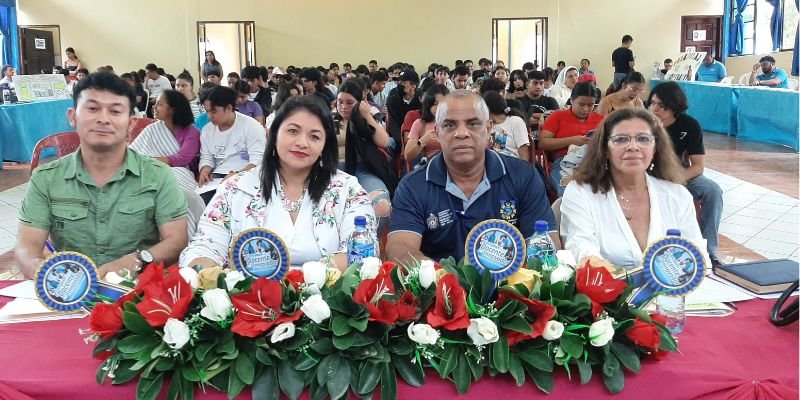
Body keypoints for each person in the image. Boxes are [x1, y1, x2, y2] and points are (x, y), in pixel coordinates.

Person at [15, 72, 188, 279]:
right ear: (73, 116)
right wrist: (47, 275)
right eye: (92, 108)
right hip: (69, 296)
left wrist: (138, 260)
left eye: (115, 111)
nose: (103, 119)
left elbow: (176, 240)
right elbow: (27, 246)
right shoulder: (45, 178)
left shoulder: (158, 175)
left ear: (131, 123)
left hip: (136, 294)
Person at [180, 95, 376, 271]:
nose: (302, 142)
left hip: (328, 301)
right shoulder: (236, 188)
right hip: (247, 301)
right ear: (273, 135)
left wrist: (302, 281)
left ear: (325, 145)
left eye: (314, 136)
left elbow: (363, 251)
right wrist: (203, 271)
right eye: (292, 131)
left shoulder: (347, 190)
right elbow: (205, 245)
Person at [386, 90, 557, 264]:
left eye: (473, 123)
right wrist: (445, 278)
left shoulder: (524, 176)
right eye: (450, 125)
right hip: (438, 287)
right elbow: (399, 249)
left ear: (489, 128)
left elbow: (546, 243)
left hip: (510, 287)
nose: (461, 133)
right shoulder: (413, 185)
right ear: (437, 132)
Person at [560, 108, 708, 269]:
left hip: (673, 294)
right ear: (605, 149)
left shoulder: (677, 195)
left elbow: (697, 257)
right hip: (606, 291)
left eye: (643, 139)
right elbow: (581, 249)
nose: (633, 146)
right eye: (621, 139)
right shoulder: (581, 192)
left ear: (655, 149)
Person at [648, 81, 723, 265]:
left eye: (662, 106)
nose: (655, 109)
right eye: (653, 103)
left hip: (679, 174)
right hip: (648, 175)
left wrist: (675, 180)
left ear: (674, 107)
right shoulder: (643, 123)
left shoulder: (689, 125)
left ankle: (709, 250)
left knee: (713, 190)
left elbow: (697, 166)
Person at [336, 80, 396, 229]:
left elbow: (385, 142)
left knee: (382, 205)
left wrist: (367, 115)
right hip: (335, 170)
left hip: (363, 170)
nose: (343, 107)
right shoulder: (329, 120)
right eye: (340, 102)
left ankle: (365, 241)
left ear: (360, 102)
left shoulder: (366, 117)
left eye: (349, 103)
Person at [197, 86, 267, 203]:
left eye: (214, 111)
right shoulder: (207, 130)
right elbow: (207, 156)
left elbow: (258, 160)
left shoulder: (251, 126)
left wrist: (237, 175)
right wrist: (205, 169)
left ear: (229, 107)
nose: (209, 116)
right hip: (218, 177)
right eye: (207, 111)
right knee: (203, 203)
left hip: (247, 174)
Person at [539, 82, 604, 196]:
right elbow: (543, 143)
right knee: (568, 191)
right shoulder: (558, 116)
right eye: (581, 104)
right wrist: (572, 140)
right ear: (572, 100)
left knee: (603, 190)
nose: (586, 109)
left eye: (591, 105)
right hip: (564, 162)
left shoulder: (601, 119)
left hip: (594, 161)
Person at [130, 90, 201, 191]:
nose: (154, 107)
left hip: (179, 172)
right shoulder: (152, 128)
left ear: (173, 109)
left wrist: (150, 161)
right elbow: (134, 153)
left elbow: (182, 159)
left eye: (159, 104)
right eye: (155, 103)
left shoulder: (192, 132)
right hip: (150, 169)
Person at [405, 84, 449, 165]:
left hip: (453, 166)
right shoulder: (420, 124)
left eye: (443, 103)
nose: (439, 107)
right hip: (429, 166)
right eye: (435, 104)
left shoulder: (455, 123)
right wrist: (422, 141)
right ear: (429, 105)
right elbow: (408, 156)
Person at [482, 90, 530, 161]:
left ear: (487, 109)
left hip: (512, 166)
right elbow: (498, 149)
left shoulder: (515, 122)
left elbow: (523, 151)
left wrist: (525, 170)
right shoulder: (487, 125)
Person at [386, 69, 421, 148]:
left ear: (413, 86)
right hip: (398, 138)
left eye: (404, 83)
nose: (400, 85)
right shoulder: (393, 100)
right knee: (387, 143)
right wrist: (401, 142)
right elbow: (393, 125)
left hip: (419, 138)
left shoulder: (422, 99)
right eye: (400, 82)